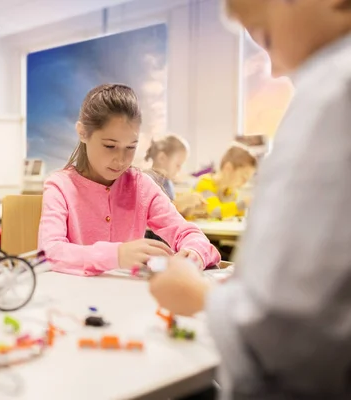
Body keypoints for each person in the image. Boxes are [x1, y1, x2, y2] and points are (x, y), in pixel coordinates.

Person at [150, 1, 351, 398]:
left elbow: (291, 331)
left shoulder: (332, 92)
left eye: (267, 38)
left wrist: (201, 296)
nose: (275, 70)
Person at [37, 84, 220, 276]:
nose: (121, 160)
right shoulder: (60, 186)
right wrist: (116, 255)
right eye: (110, 146)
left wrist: (194, 253)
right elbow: (48, 252)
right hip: (72, 299)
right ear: (83, 132)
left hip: (127, 298)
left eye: (131, 147)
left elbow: (190, 234)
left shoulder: (141, 186)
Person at [144, 134, 207, 219]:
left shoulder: (167, 182)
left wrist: (187, 209)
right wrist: (179, 203)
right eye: (178, 165)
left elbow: (171, 213)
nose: (179, 169)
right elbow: (154, 212)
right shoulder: (147, 180)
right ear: (161, 158)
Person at [194, 144, 256, 220]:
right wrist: (243, 204)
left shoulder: (230, 191)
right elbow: (215, 212)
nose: (244, 183)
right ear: (228, 168)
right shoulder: (205, 183)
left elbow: (233, 213)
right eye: (243, 177)